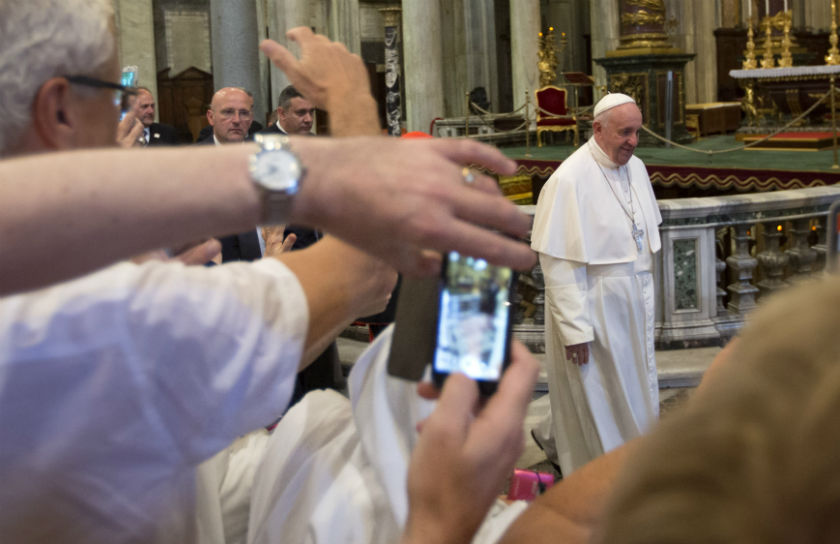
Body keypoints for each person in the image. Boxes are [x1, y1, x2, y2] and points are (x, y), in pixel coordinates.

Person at [530, 92, 662, 475]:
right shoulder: (569, 179)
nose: (633, 142)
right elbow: (558, 262)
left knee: (634, 388)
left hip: (630, 305)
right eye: (625, 132)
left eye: (637, 132)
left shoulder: (635, 168)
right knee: (598, 396)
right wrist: (575, 330)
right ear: (597, 129)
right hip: (594, 307)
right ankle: (605, 474)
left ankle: (635, 456)